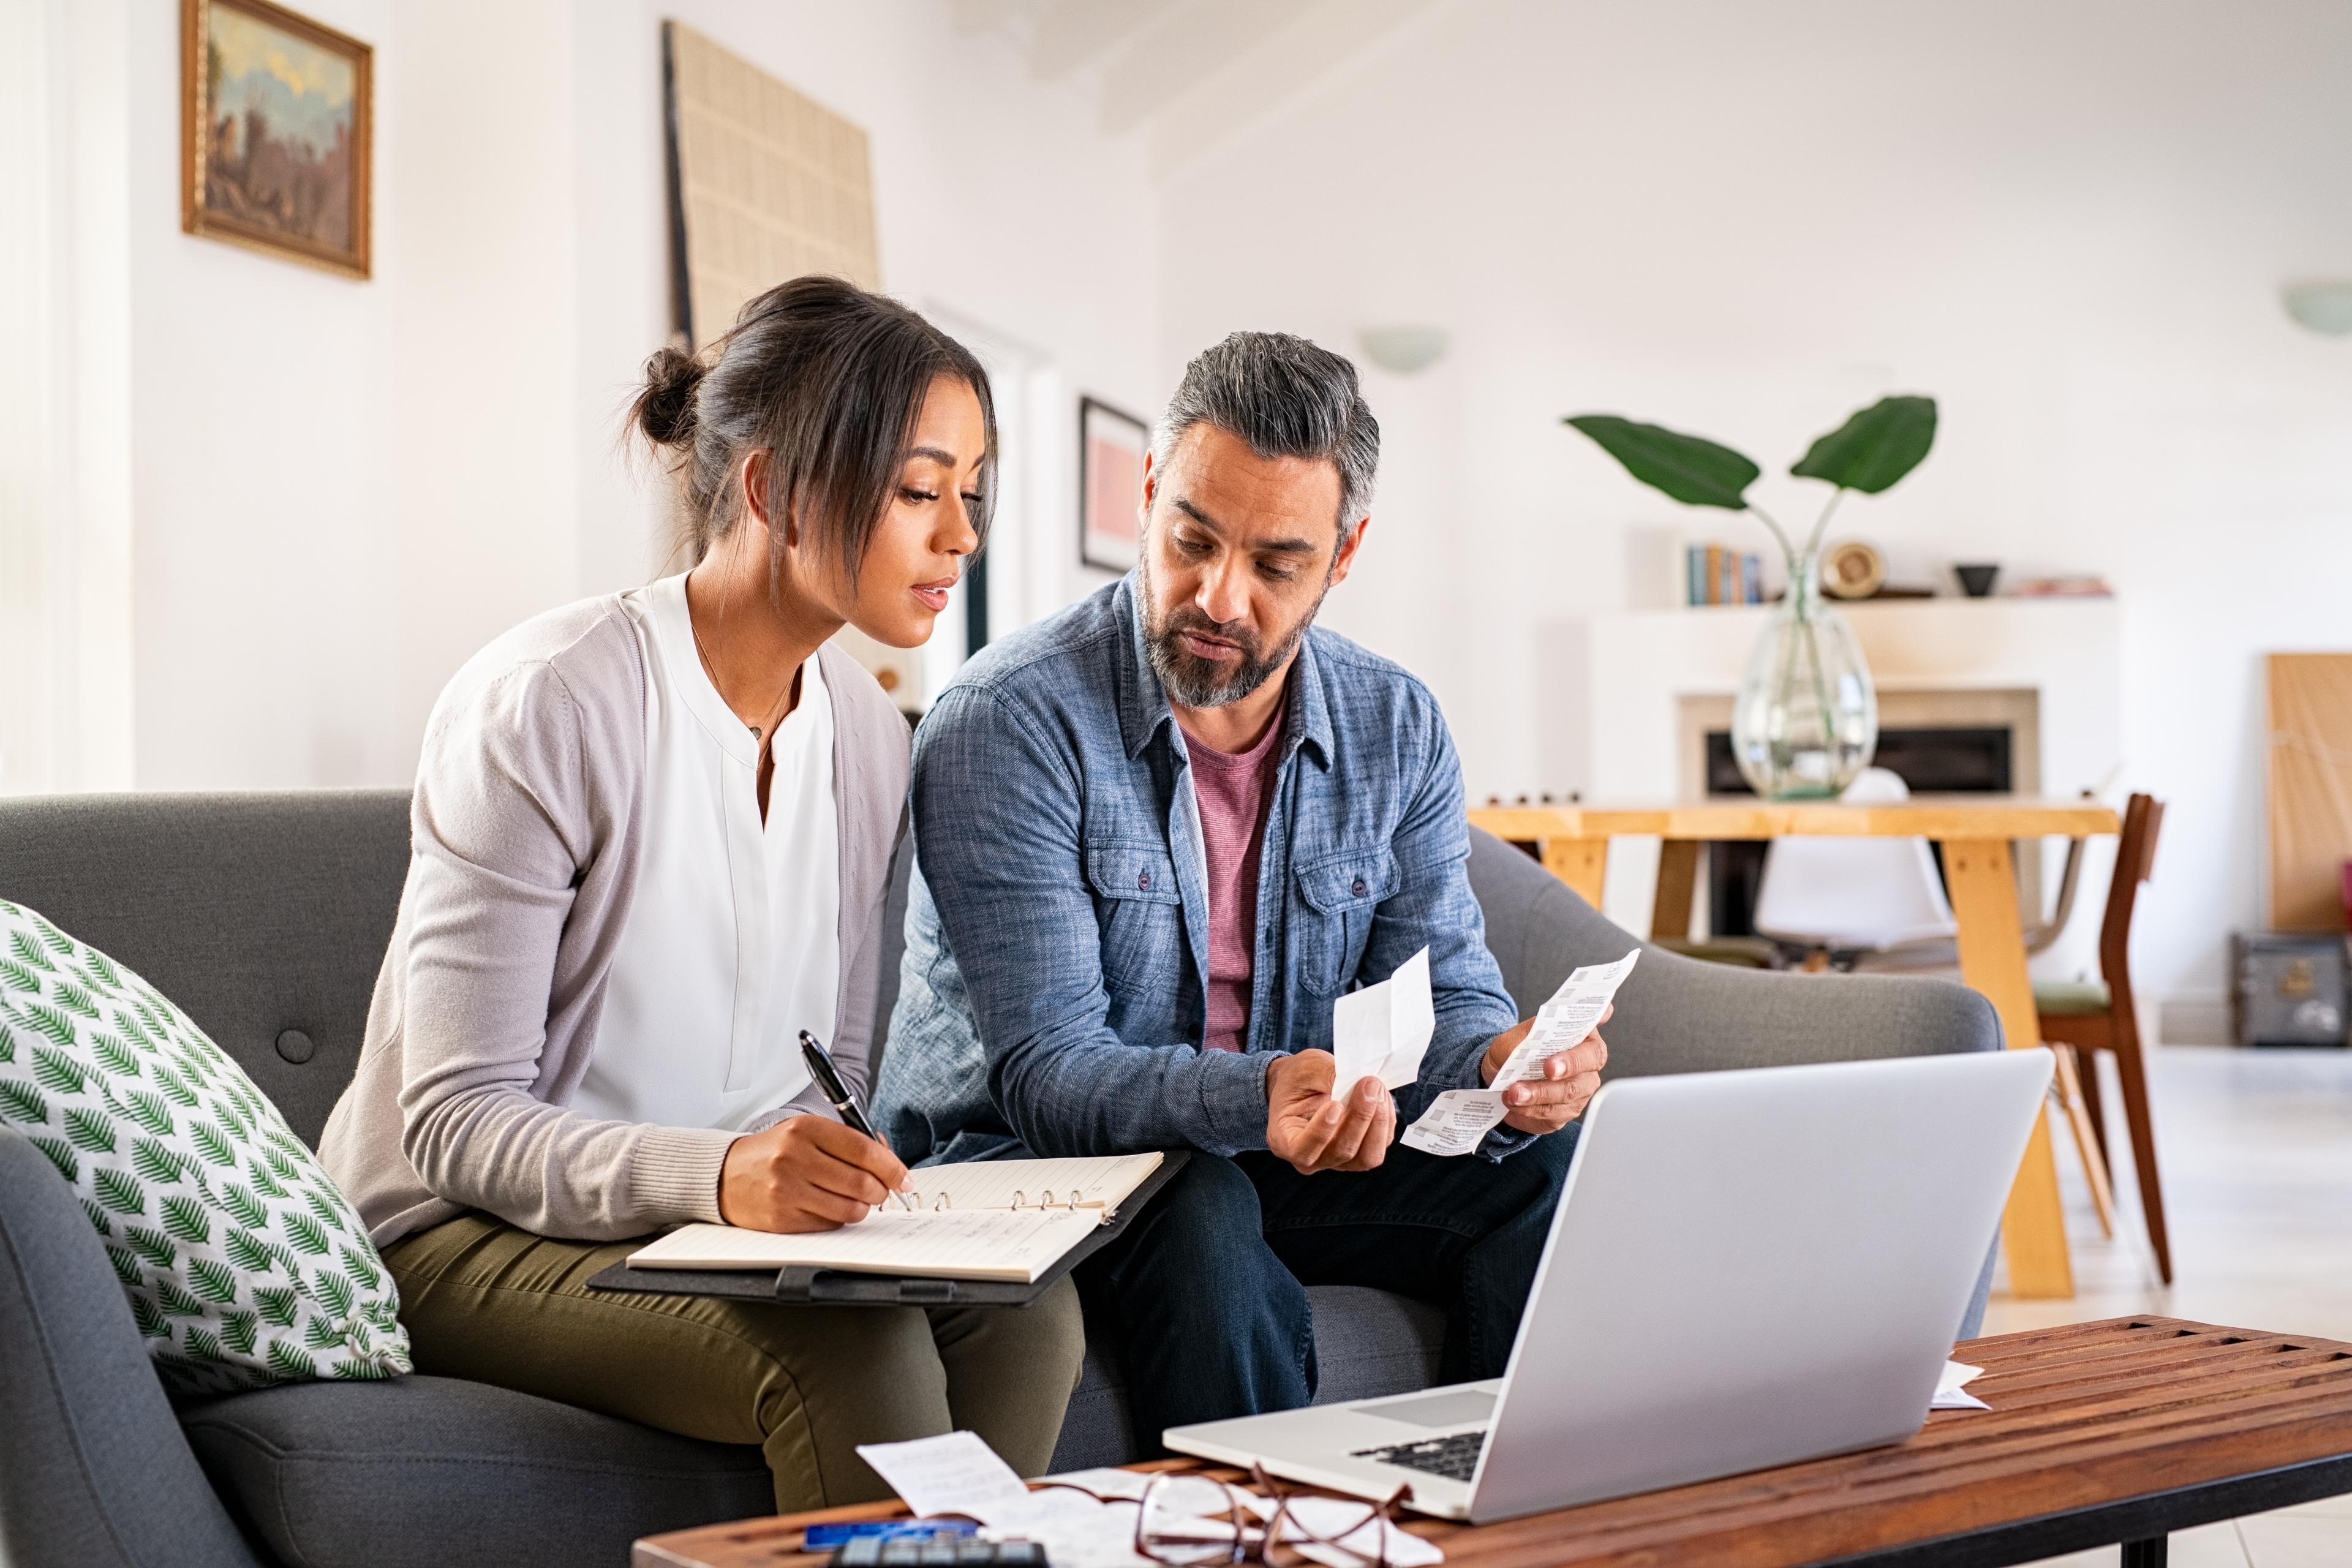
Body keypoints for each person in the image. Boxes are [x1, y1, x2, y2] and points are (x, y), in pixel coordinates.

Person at [320, 277, 1085, 1510]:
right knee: (859, 1346)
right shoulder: (551, 704)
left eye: (972, 492)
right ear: (775, 488)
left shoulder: (872, 738)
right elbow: (456, 1122)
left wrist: (844, 1184)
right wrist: (722, 1174)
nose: (961, 536)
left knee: (1031, 1314)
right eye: (918, 489)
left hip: (718, 1230)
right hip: (464, 1233)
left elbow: (825, 1069)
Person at [873, 331, 1607, 1447]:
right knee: (1204, 1208)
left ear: (1343, 555)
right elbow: (1047, 1075)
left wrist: (1503, 1063)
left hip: (1270, 1144)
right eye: (1193, 541)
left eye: (1275, 566)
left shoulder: (1395, 725)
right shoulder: (1010, 721)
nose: (1219, 596)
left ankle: (1497, 1523)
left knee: (1545, 1171)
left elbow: (1450, 991)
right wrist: (1264, 1097)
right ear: (1151, 495)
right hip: (1025, 1165)